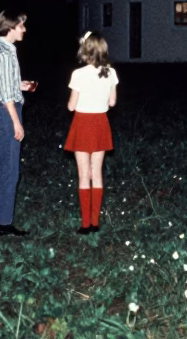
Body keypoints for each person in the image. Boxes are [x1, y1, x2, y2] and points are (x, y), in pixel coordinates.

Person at [0, 11, 35, 237]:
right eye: (21, 25)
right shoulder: (5, 55)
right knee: (10, 170)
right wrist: (16, 122)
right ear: (11, 27)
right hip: (6, 113)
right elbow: (4, 95)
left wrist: (19, 85)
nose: (24, 29)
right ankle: (5, 224)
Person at [64, 31, 118, 234]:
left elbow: (71, 107)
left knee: (83, 174)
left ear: (84, 50)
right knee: (97, 173)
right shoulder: (110, 73)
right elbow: (112, 103)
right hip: (100, 124)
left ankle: (85, 224)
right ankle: (95, 222)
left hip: (83, 123)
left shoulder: (78, 74)